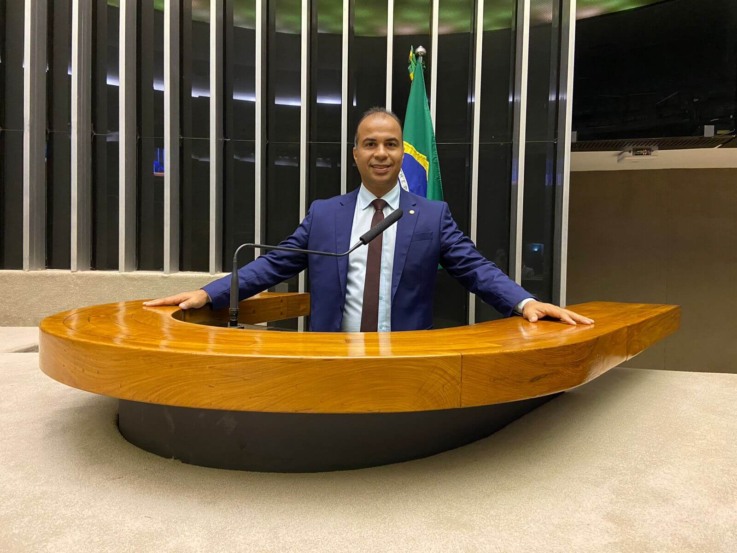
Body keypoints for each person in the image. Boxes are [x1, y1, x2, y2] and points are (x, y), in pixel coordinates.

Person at [144, 107, 593, 330]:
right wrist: (209, 292)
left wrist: (525, 302)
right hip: (333, 353)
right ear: (355, 153)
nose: (381, 153)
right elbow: (274, 263)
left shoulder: (432, 216)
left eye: (391, 144)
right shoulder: (324, 214)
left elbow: (476, 268)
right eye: (371, 144)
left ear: (402, 153)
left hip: (404, 353)